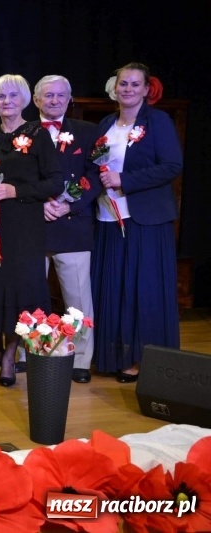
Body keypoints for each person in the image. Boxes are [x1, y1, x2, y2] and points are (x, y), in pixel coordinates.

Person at [0, 74, 63, 387]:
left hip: (24, 230)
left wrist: (14, 191)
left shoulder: (38, 134)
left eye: (12, 96)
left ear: (25, 100)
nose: (7, 102)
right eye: (1, 97)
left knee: (19, 291)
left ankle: (10, 355)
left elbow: (55, 181)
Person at [90, 62, 182, 383]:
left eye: (134, 84)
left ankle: (142, 359)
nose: (127, 89)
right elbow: (94, 169)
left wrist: (124, 179)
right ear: (114, 88)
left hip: (145, 220)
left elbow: (172, 165)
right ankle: (112, 355)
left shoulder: (158, 121)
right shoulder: (104, 123)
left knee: (142, 290)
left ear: (146, 89)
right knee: (113, 288)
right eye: (122, 84)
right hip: (107, 218)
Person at [33, 74, 100, 384]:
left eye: (61, 95)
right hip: (33, 224)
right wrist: (39, 204)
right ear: (36, 100)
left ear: (69, 99)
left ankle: (81, 358)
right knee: (30, 295)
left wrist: (69, 205)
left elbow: (96, 175)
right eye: (48, 95)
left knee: (77, 298)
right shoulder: (23, 132)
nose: (55, 100)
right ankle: (29, 352)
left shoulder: (87, 132)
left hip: (73, 227)